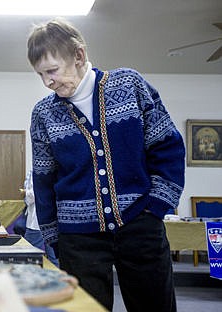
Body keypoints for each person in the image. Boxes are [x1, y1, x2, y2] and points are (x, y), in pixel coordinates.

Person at [27, 18, 185, 312]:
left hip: (140, 225)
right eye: (40, 74)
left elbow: (168, 146)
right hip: (77, 238)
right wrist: (54, 237)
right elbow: (44, 179)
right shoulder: (43, 114)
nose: (48, 81)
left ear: (79, 56)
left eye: (52, 70)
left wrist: (157, 207)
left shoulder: (130, 84)